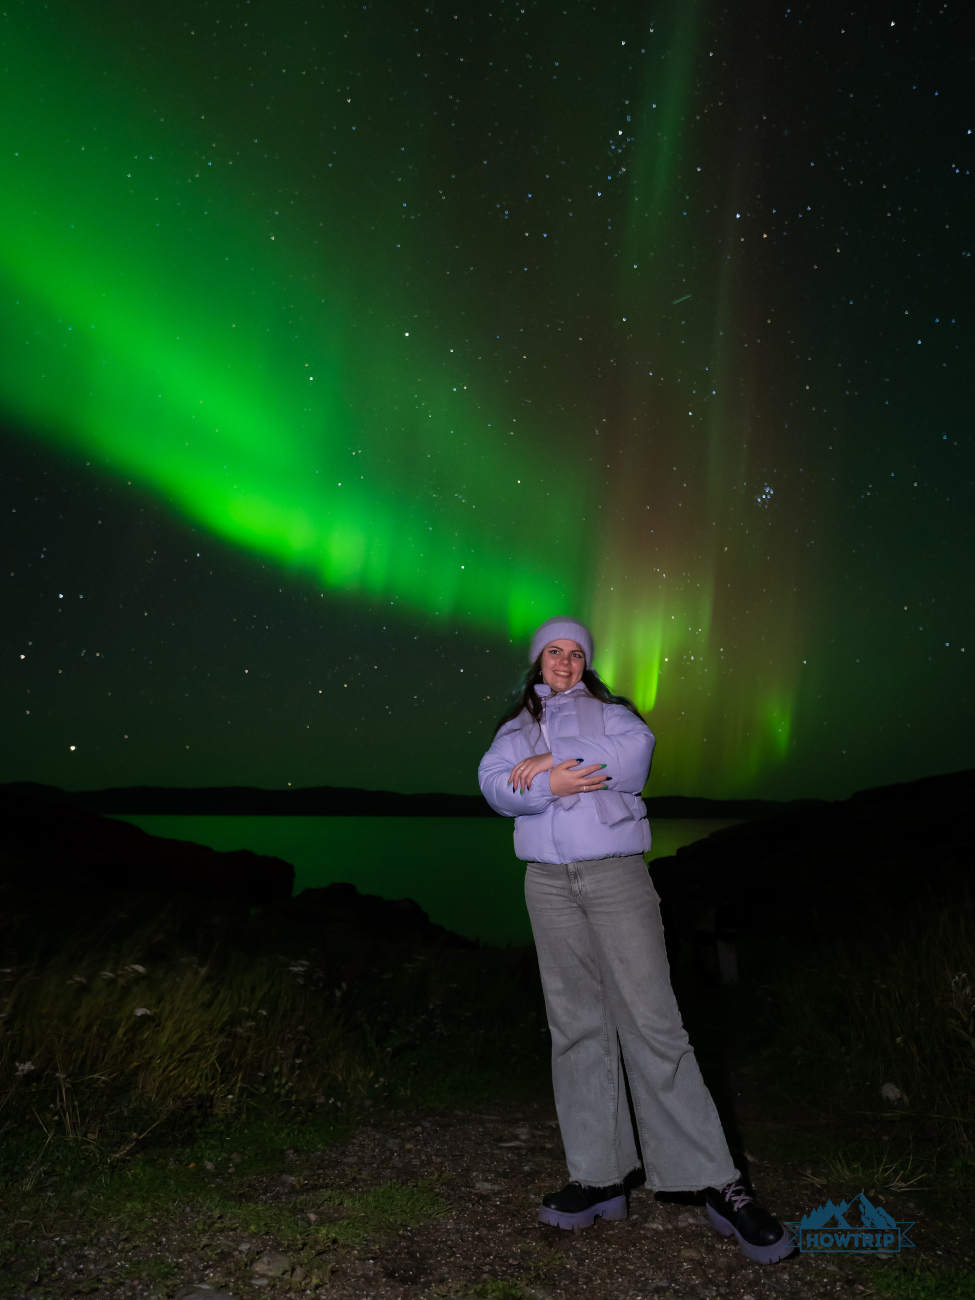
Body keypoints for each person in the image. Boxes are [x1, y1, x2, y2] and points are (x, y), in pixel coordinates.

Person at [477, 616, 790, 1265]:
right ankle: (598, 1176)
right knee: (575, 1026)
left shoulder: (612, 714)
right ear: (537, 660)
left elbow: (633, 758)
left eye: (574, 652)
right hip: (546, 883)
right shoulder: (513, 728)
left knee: (653, 1023)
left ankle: (714, 1181)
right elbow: (493, 786)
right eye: (553, 651)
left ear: (585, 662)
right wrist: (540, 782)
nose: (563, 661)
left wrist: (546, 772)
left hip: (615, 876)